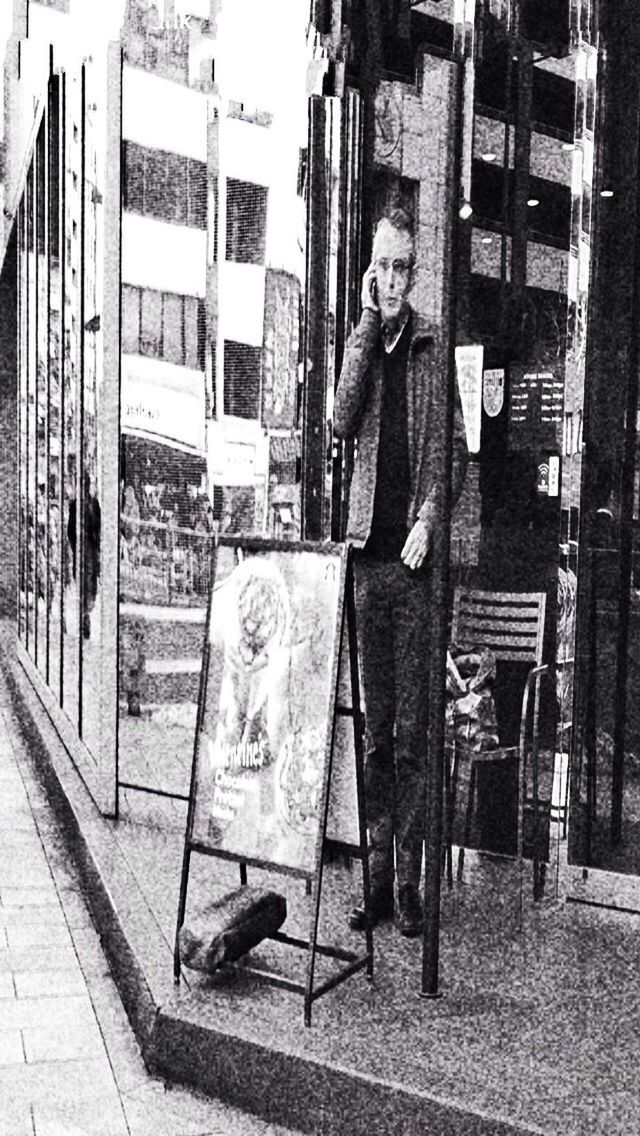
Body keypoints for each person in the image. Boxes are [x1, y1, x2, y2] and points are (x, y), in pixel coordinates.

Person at [333, 208, 468, 937]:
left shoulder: (430, 344)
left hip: (410, 573)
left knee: (414, 735)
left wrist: (426, 521)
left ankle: (412, 886)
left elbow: (452, 454)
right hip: (365, 563)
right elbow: (340, 417)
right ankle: (377, 883)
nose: (391, 280)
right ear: (369, 271)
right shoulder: (367, 340)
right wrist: (361, 324)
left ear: (415, 272)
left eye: (402, 268)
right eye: (381, 266)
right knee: (374, 735)